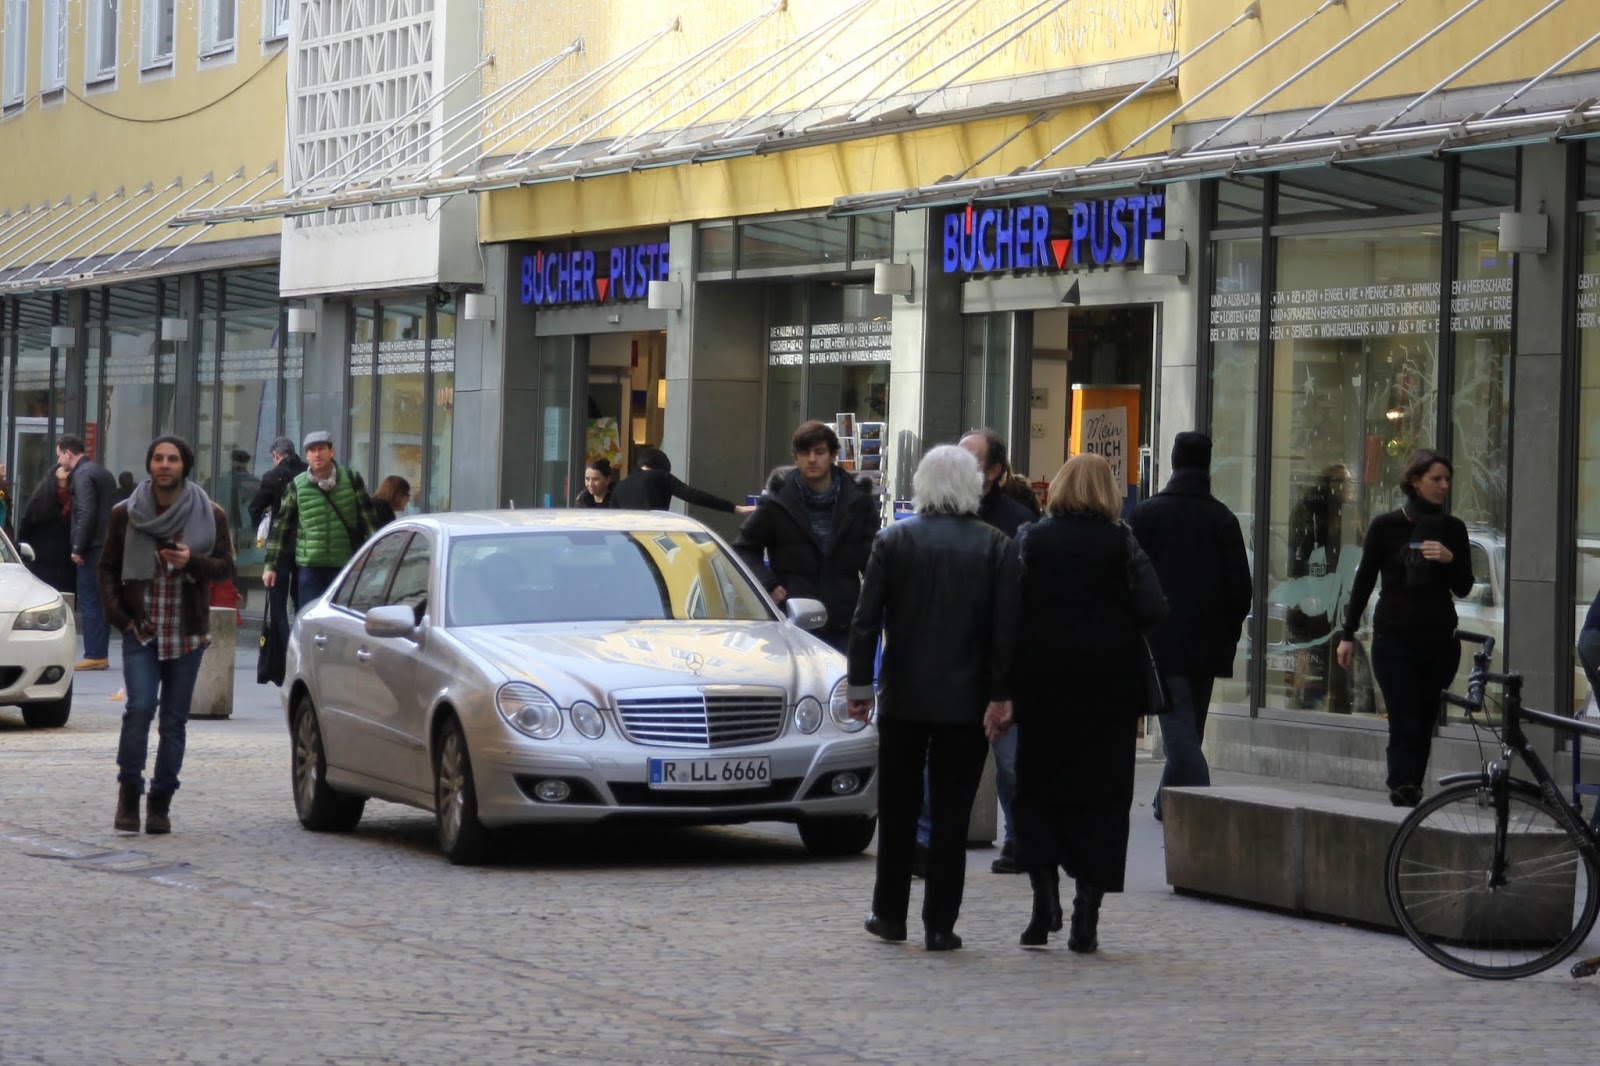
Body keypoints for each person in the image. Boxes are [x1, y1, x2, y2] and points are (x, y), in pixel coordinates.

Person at [846, 445, 1019, 952]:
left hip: (903, 697)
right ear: (975, 487)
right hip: (966, 703)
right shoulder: (996, 546)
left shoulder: (894, 540)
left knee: (898, 810)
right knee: (952, 814)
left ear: (922, 484)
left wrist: (860, 687)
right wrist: (1001, 697)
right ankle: (940, 923)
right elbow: (1005, 633)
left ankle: (889, 913)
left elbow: (865, 620)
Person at [1009, 453, 1167, 952]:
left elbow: (1009, 606)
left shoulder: (1032, 538)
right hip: (1108, 690)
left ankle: (1043, 902)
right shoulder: (1121, 542)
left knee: (1037, 790)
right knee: (1102, 798)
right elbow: (1154, 607)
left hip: (1043, 685)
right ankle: (1085, 917)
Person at [101, 436, 234, 835]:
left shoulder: (209, 513)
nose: (164, 465)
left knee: (174, 722)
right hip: (141, 628)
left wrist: (191, 560)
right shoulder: (126, 513)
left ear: (184, 466)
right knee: (140, 708)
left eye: (172, 459)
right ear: (149, 465)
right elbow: (106, 568)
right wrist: (120, 617)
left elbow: (225, 567)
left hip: (186, 633)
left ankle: (160, 802)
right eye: (158, 458)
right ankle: (129, 793)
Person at [1336, 449, 1473, 808]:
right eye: (1436, 479)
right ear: (1415, 481)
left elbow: (1463, 586)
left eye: (1447, 479)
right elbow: (1364, 581)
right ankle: (1402, 785)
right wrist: (1347, 635)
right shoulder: (1385, 526)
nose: (1444, 486)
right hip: (1393, 636)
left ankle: (1412, 785)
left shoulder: (1454, 529)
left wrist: (1449, 558)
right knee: (1404, 715)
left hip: (1438, 638)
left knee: (1425, 718)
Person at [1129, 431, 1252, 822]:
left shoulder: (1147, 515)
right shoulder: (1223, 520)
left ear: (1172, 462)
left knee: (1181, 733)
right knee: (1188, 729)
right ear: (1208, 465)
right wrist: (1227, 634)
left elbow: (1129, 581)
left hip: (1160, 644)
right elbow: (1241, 591)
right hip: (1208, 645)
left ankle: (1203, 814)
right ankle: (1168, 803)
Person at [946, 428, 1039, 876]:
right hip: (955, 658)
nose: (961, 468)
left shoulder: (1019, 521)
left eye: (973, 460)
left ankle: (1019, 838)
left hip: (1006, 660)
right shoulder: (941, 516)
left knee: (1010, 762)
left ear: (995, 471)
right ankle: (936, 838)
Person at [733, 421, 880, 652]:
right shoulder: (778, 501)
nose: (812, 459)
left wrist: (873, 604)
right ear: (795, 457)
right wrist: (768, 583)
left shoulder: (858, 501)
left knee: (839, 685)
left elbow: (873, 559)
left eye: (819, 452)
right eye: (805, 452)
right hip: (792, 617)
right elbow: (743, 549)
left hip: (842, 619)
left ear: (832, 455)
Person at [262, 431, 378, 610]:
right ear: (306, 456)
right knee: (310, 618)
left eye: (322, 449)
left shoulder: (352, 479)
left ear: (332, 452)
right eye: (312, 450)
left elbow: (369, 520)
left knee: (342, 621)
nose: (317, 454)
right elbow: (280, 527)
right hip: (310, 568)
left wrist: (372, 558)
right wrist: (270, 566)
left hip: (345, 565)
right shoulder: (296, 486)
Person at [1285, 463, 1357, 709]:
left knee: (1332, 657)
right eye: (1343, 482)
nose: (1348, 487)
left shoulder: (1345, 513)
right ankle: (1308, 700)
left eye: (1349, 482)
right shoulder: (1313, 512)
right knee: (1314, 655)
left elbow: (1358, 547)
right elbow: (1301, 554)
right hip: (1316, 595)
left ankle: (1331, 701)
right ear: (1330, 485)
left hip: (1336, 595)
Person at [59, 434, 118, 671]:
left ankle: (95, 653)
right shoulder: (100, 472)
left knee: (90, 599)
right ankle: (98, 652)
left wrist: (77, 547)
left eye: (59, 455)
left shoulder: (82, 475)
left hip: (92, 546)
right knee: (101, 598)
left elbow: (85, 512)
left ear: (68, 453)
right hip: (106, 543)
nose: (59, 461)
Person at [611, 447, 756, 516]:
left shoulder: (620, 485)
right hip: (651, 536)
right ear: (663, 466)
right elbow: (692, 495)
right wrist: (735, 508)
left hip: (626, 542)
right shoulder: (660, 476)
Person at [18, 464, 75, 592]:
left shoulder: (76, 499)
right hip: (42, 559)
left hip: (67, 560)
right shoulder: (41, 497)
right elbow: (26, 526)